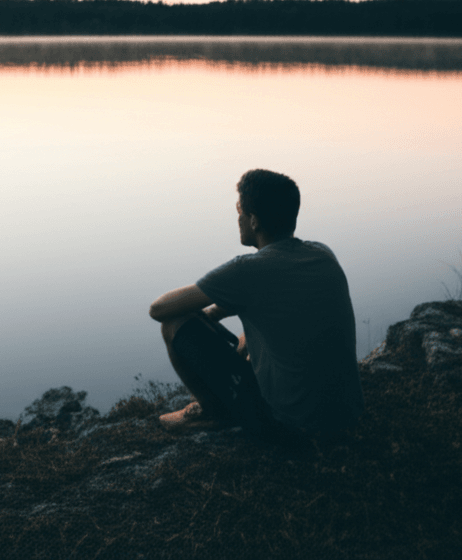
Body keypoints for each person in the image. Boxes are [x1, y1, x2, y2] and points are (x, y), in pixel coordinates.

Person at [148, 169, 364, 441]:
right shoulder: (322, 253)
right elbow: (276, 295)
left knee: (174, 324)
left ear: (253, 221)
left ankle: (213, 412)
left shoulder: (246, 270)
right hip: (346, 415)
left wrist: (200, 313)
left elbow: (159, 309)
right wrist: (215, 312)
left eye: (240, 212)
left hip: (290, 427)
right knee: (245, 339)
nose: (237, 219)